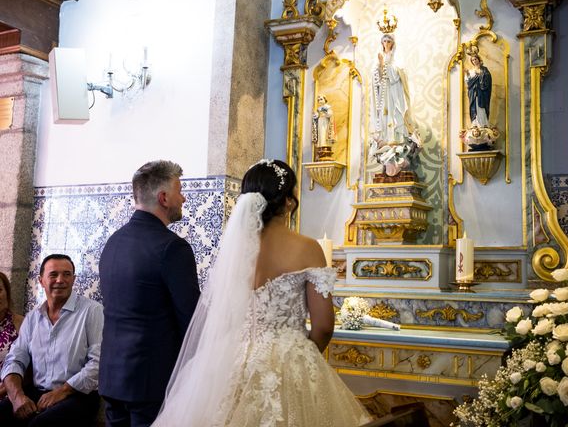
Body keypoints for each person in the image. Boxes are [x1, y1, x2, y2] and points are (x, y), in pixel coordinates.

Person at [152, 159, 370, 426]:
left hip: (229, 359)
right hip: (289, 360)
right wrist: (302, 355)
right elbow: (323, 325)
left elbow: (221, 316)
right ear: (288, 201)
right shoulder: (307, 248)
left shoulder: (234, 252)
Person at [99, 160, 200, 427]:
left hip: (112, 377)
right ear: (163, 197)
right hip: (150, 381)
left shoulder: (112, 242)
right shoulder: (172, 248)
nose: (184, 197)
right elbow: (191, 320)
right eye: (179, 190)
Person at [0, 254, 103, 426]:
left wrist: (63, 391)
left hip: (78, 395)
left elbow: (99, 363)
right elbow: (15, 359)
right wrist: (17, 396)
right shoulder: (33, 318)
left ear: (74, 279)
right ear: (41, 281)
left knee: (39, 424)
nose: (60, 280)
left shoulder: (92, 311)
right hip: (37, 392)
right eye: (53, 274)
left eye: (67, 274)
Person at [370, 33, 412, 147]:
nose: (386, 44)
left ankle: (397, 138)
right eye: (384, 42)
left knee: (395, 113)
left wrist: (385, 64)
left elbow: (396, 75)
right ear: (381, 43)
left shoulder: (396, 57)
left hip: (395, 92)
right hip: (384, 92)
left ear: (392, 43)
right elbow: (375, 77)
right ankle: (385, 138)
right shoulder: (379, 57)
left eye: (389, 42)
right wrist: (380, 65)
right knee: (384, 114)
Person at [0, 273, 24, 400]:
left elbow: (31, 367)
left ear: (7, 293)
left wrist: (7, 388)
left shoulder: (21, 324)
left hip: (11, 395)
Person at [465, 49, 492, 127]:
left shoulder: (484, 70)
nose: (474, 61)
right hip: (473, 93)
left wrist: (480, 75)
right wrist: (467, 74)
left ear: (479, 59)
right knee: (474, 106)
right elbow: (468, 82)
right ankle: (475, 123)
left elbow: (488, 80)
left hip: (482, 93)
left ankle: (483, 123)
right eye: (472, 60)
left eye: (475, 59)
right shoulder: (471, 71)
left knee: (482, 108)